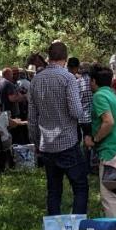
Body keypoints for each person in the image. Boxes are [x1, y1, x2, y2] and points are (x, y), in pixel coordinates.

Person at [28, 41, 89, 216]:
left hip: (47, 143)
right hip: (67, 141)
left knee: (54, 190)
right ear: (65, 58)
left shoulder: (35, 80)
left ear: (48, 57)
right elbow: (76, 111)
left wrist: (35, 142)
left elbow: (32, 118)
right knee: (80, 187)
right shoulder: (68, 78)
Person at [89, 66, 116, 220]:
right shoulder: (114, 95)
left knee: (110, 197)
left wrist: (95, 139)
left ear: (94, 81)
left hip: (110, 152)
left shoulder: (99, 96)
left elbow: (108, 122)